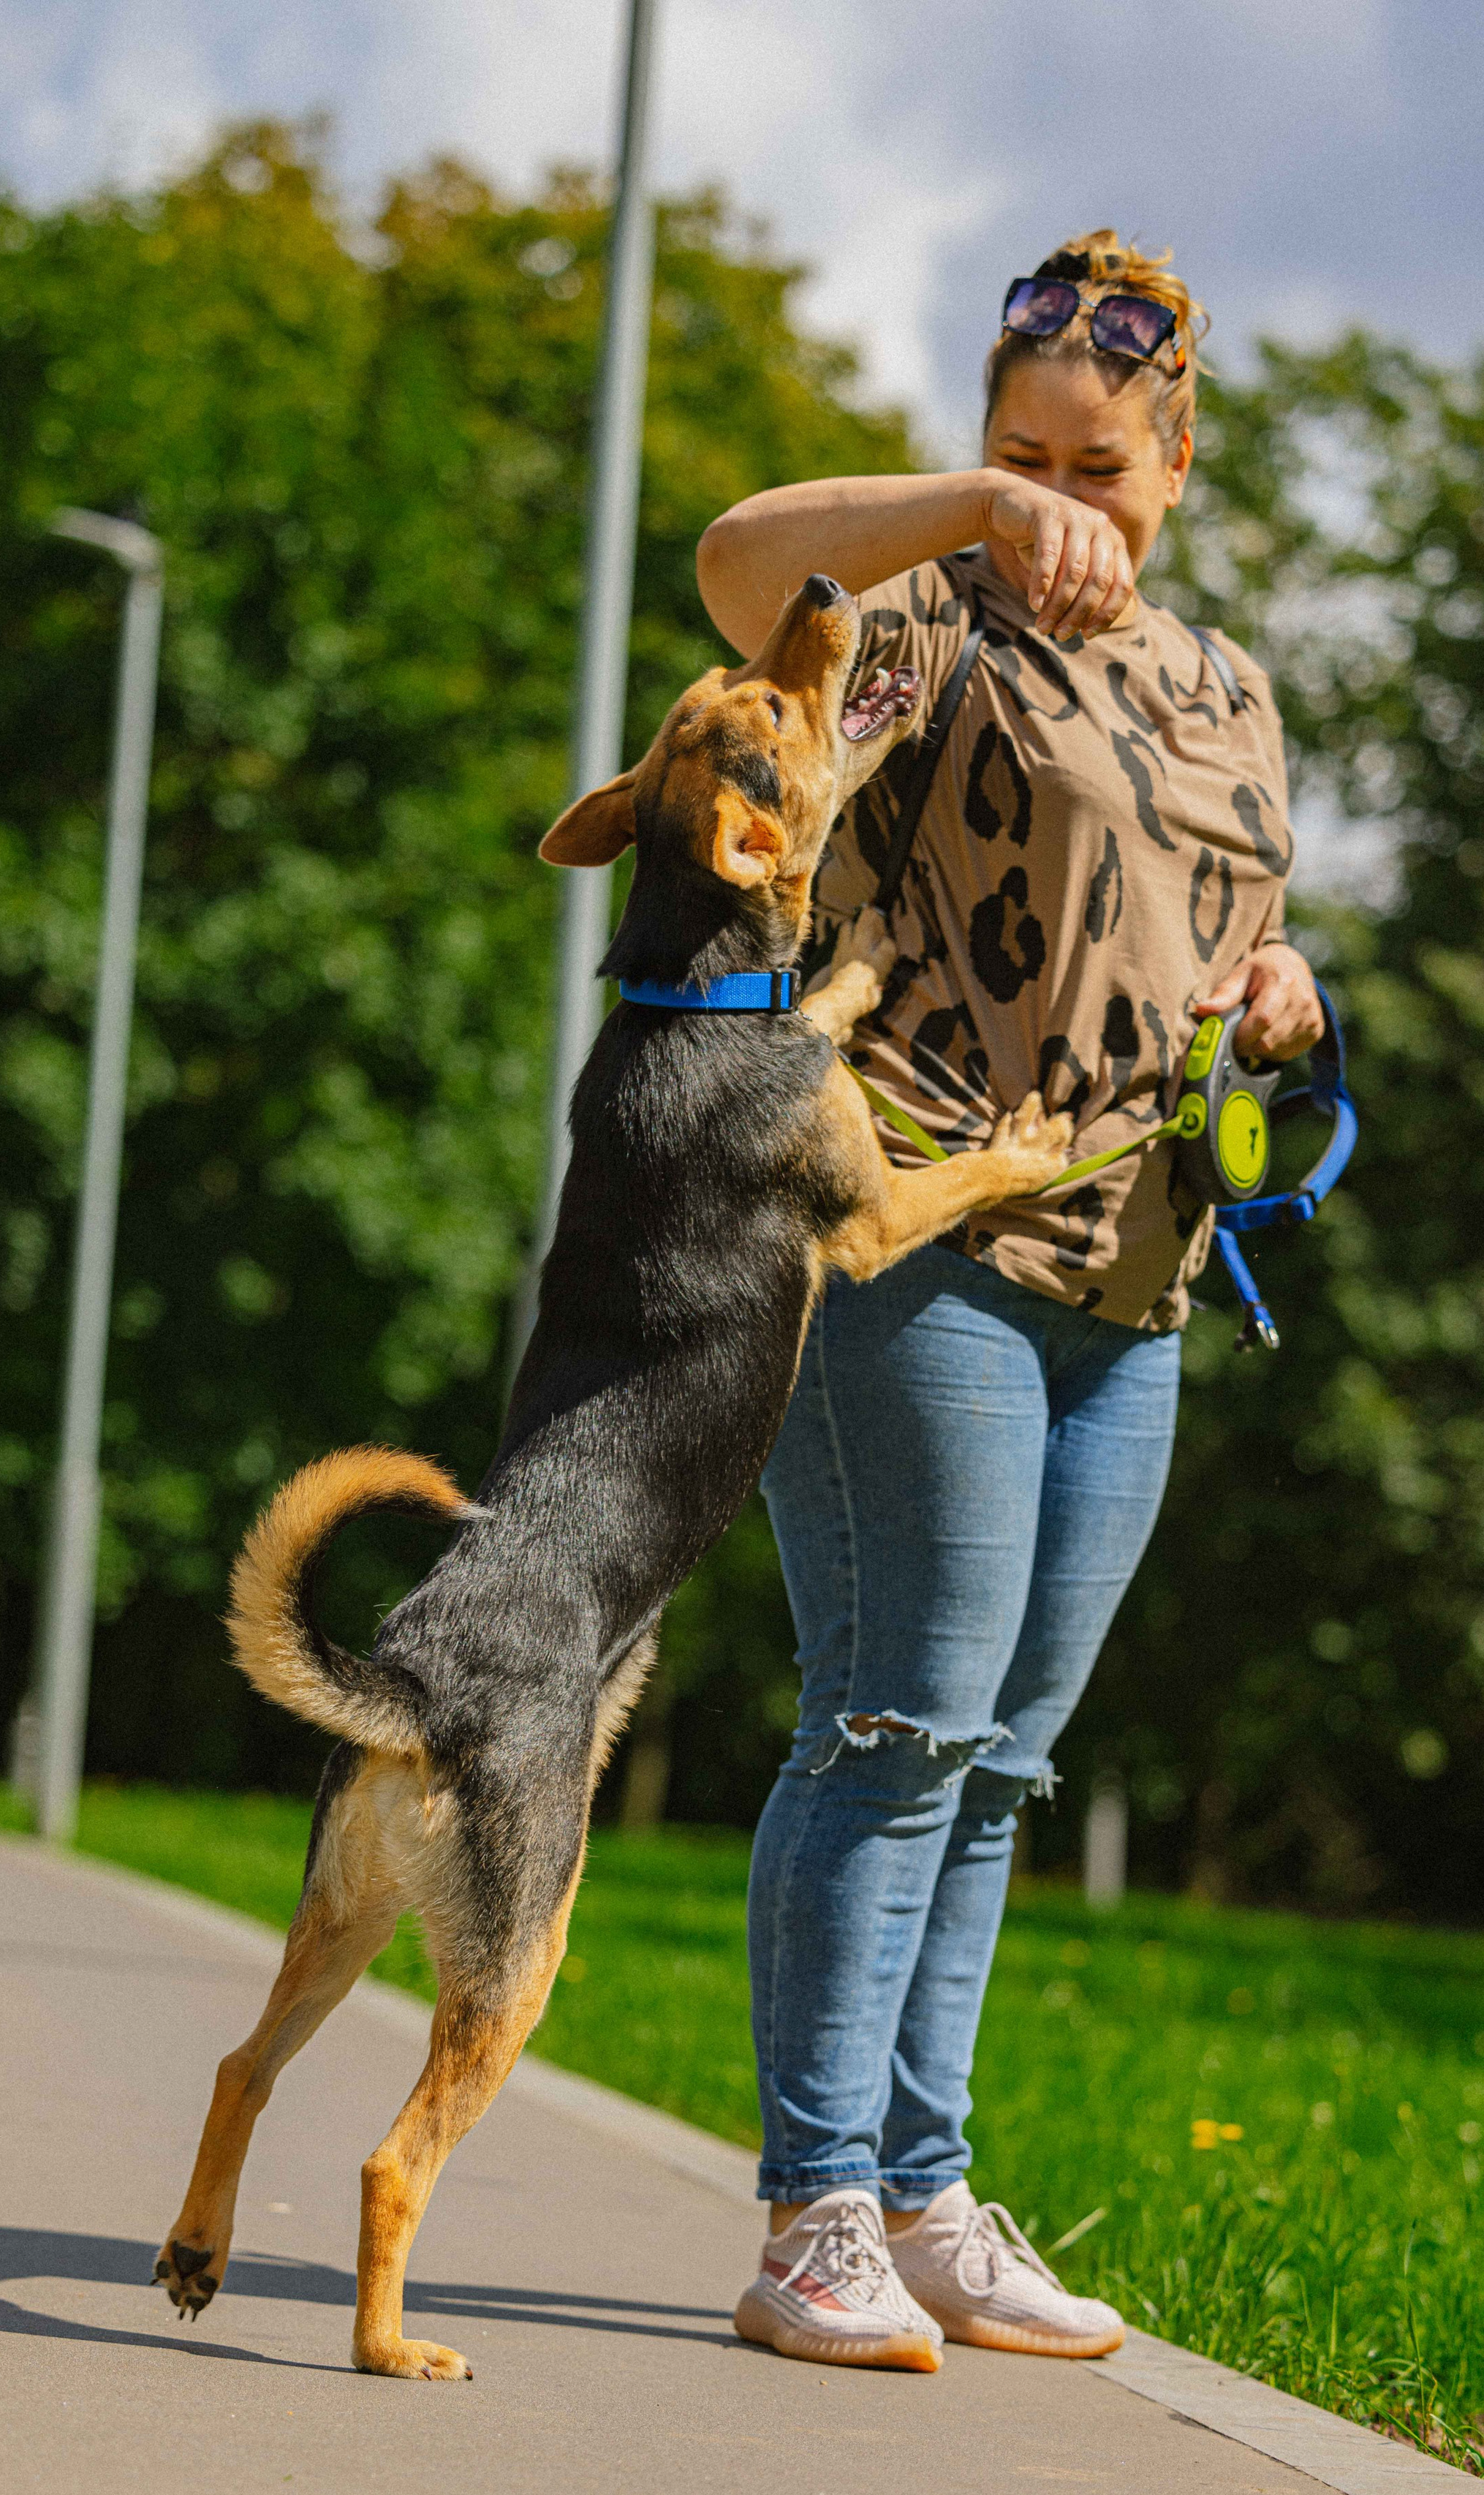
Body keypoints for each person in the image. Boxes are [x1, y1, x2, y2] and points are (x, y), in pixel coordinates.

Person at [694, 233, 1323, 2371]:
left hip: (1132, 1281)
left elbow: (1212, 931)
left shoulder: (1231, 687)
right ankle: (814, 2215)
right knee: (892, 1719)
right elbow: (728, 557)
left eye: (1096, 463)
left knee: (1003, 1764)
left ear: (1174, 468)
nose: (1062, 493)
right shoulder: (926, 635)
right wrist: (963, 516)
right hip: (914, 1241)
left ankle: (929, 2190)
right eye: (1017, 449)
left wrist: (1279, 996)